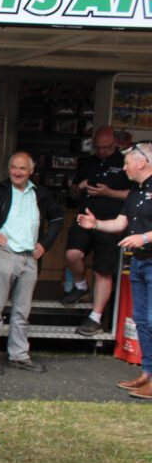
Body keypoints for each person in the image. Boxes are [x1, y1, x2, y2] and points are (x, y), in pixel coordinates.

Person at [0, 151, 64, 375]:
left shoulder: (40, 193)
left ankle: (19, 355)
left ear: (31, 171)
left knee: (22, 311)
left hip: (30, 258)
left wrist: (45, 243)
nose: (17, 172)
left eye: (22, 168)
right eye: (13, 167)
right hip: (4, 254)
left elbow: (58, 218)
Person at [77, 142, 152, 399]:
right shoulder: (134, 193)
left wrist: (145, 237)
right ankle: (147, 373)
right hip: (140, 264)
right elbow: (121, 223)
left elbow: (142, 233)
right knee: (142, 321)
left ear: (142, 163)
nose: (124, 167)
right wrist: (95, 223)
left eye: (128, 162)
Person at [62, 126, 134, 336]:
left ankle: (95, 318)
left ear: (115, 144)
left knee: (103, 271)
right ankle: (80, 285)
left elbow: (133, 194)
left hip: (111, 222)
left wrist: (108, 192)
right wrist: (81, 185)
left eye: (107, 147)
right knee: (72, 254)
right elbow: (73, 193)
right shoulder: (87, 162)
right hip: (84, 218)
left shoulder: (124, 163)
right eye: (99, 147)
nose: (102, 151)